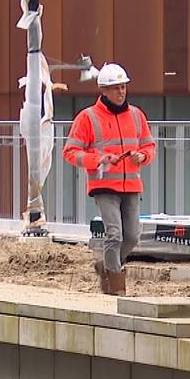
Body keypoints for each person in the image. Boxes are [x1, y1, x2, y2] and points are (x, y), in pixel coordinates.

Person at [62, 64, 156, 295]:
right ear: (103, 90)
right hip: (104, 185)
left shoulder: (136, 115)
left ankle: (106, 265)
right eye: (116, 88)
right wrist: (99, 159)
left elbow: (149, 146)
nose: (121, 92)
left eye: (123, 87)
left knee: (132, 235)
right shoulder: (87, 117)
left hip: (131, 184)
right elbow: (70, 152)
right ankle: (115, 285)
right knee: (114, 233)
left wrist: (142, 156)